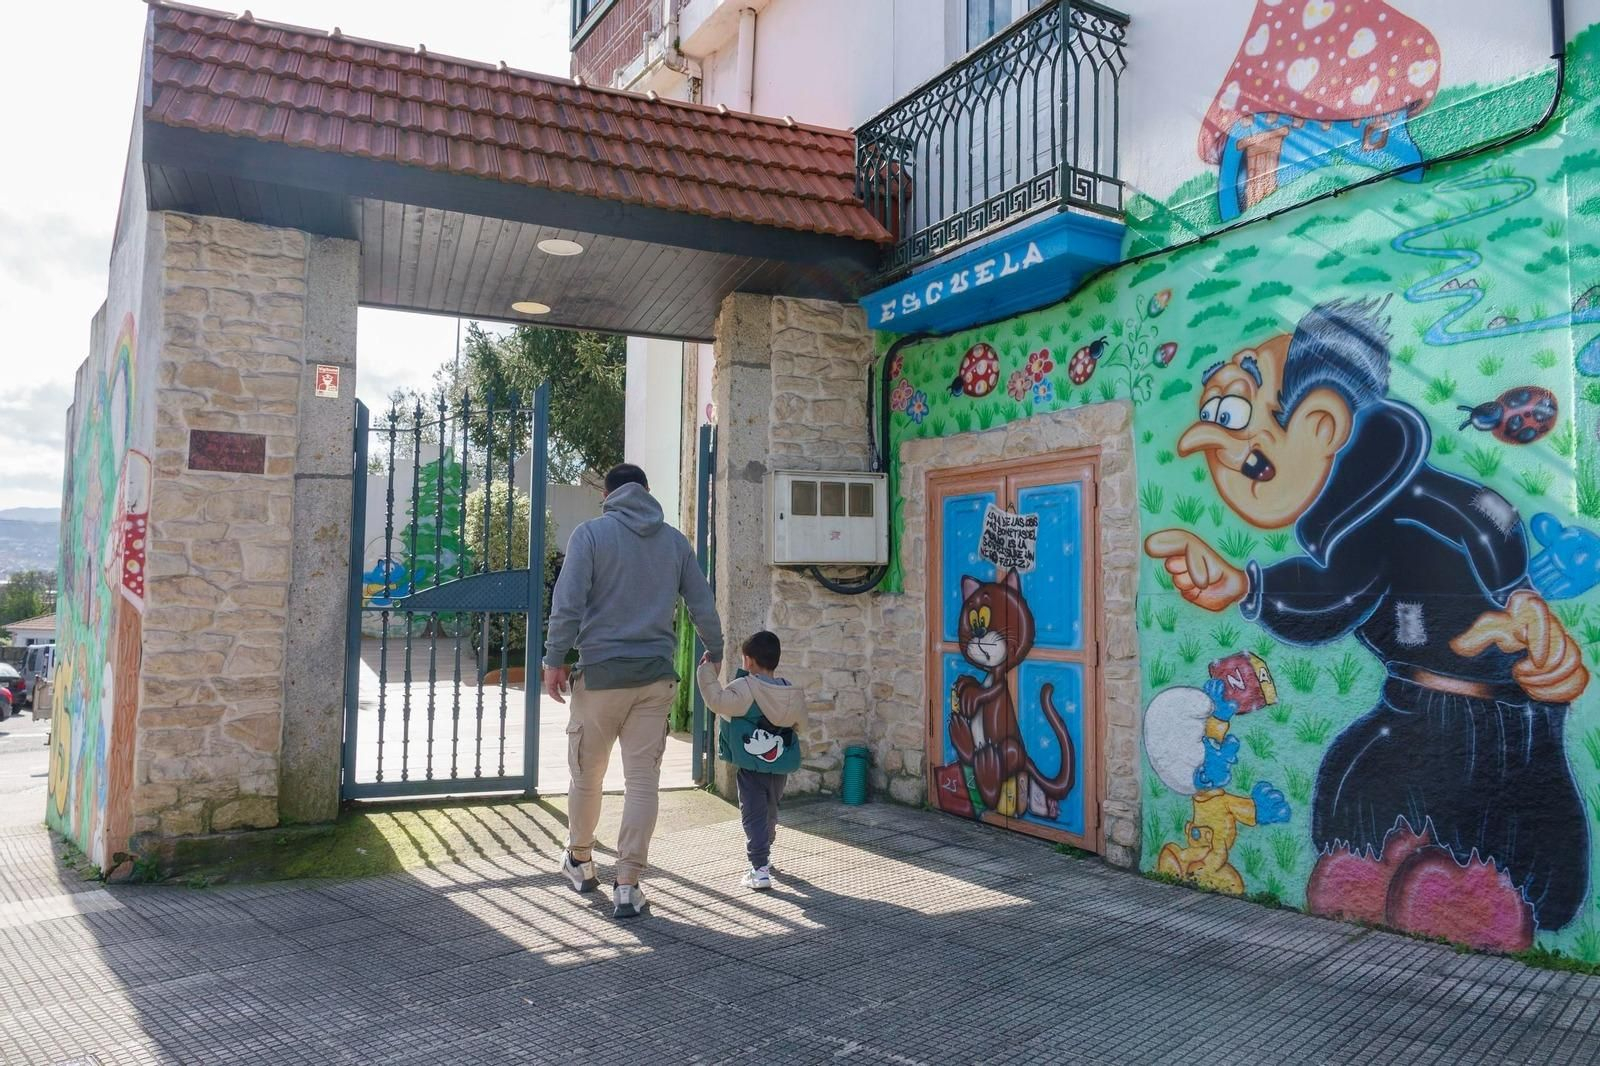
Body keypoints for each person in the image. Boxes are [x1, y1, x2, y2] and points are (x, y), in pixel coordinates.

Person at [544, 463, 723, 919]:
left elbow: (567, 603)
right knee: (642, 781)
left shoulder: (590, 535)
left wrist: (554, 660)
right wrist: (715, 648)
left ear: (607, 496)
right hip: (655, 679)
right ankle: (628, 884)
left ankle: (580, 862)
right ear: (647, 491)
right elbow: (701, 601)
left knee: (588, 775)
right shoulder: (674, 542)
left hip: (600, 678)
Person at [696, 631, 807, 891]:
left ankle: (759, 869)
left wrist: (706, 672)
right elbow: (801, 722)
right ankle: (765, 849)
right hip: (779, 765)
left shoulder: (746, 687)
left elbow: (718, 701)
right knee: (770, 807)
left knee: (752, 814)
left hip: (751, 766)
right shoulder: (787, 688)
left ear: (748, 661)